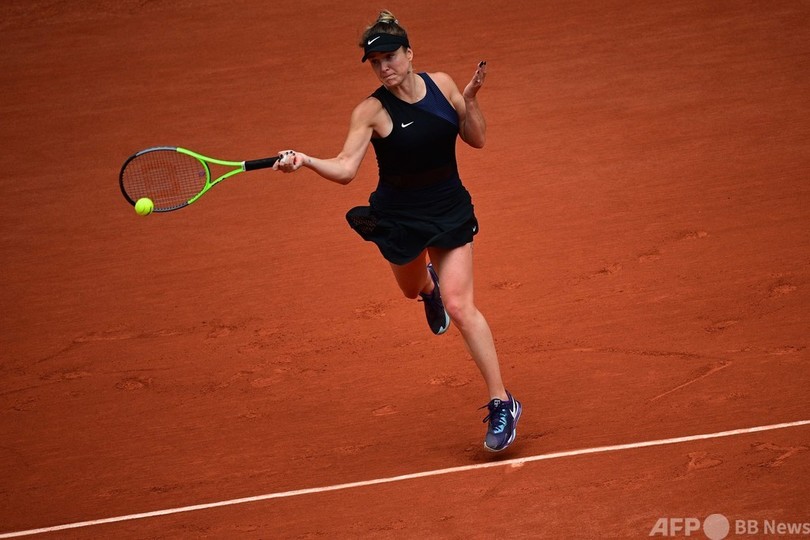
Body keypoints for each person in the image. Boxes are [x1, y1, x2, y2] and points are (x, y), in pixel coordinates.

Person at [273, 10, 521, 452]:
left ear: (409, 53)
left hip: (448, 209)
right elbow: (346, 168)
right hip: (400, 218)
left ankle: (503, 402)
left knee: (461, 306)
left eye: (390, 57)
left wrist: (470, 99)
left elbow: (477, 138)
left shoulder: (443, 85)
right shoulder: (370, 111)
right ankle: (427, 289)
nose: (384, 67)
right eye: (375, 62)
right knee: (411, 290)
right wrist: (306, 160)